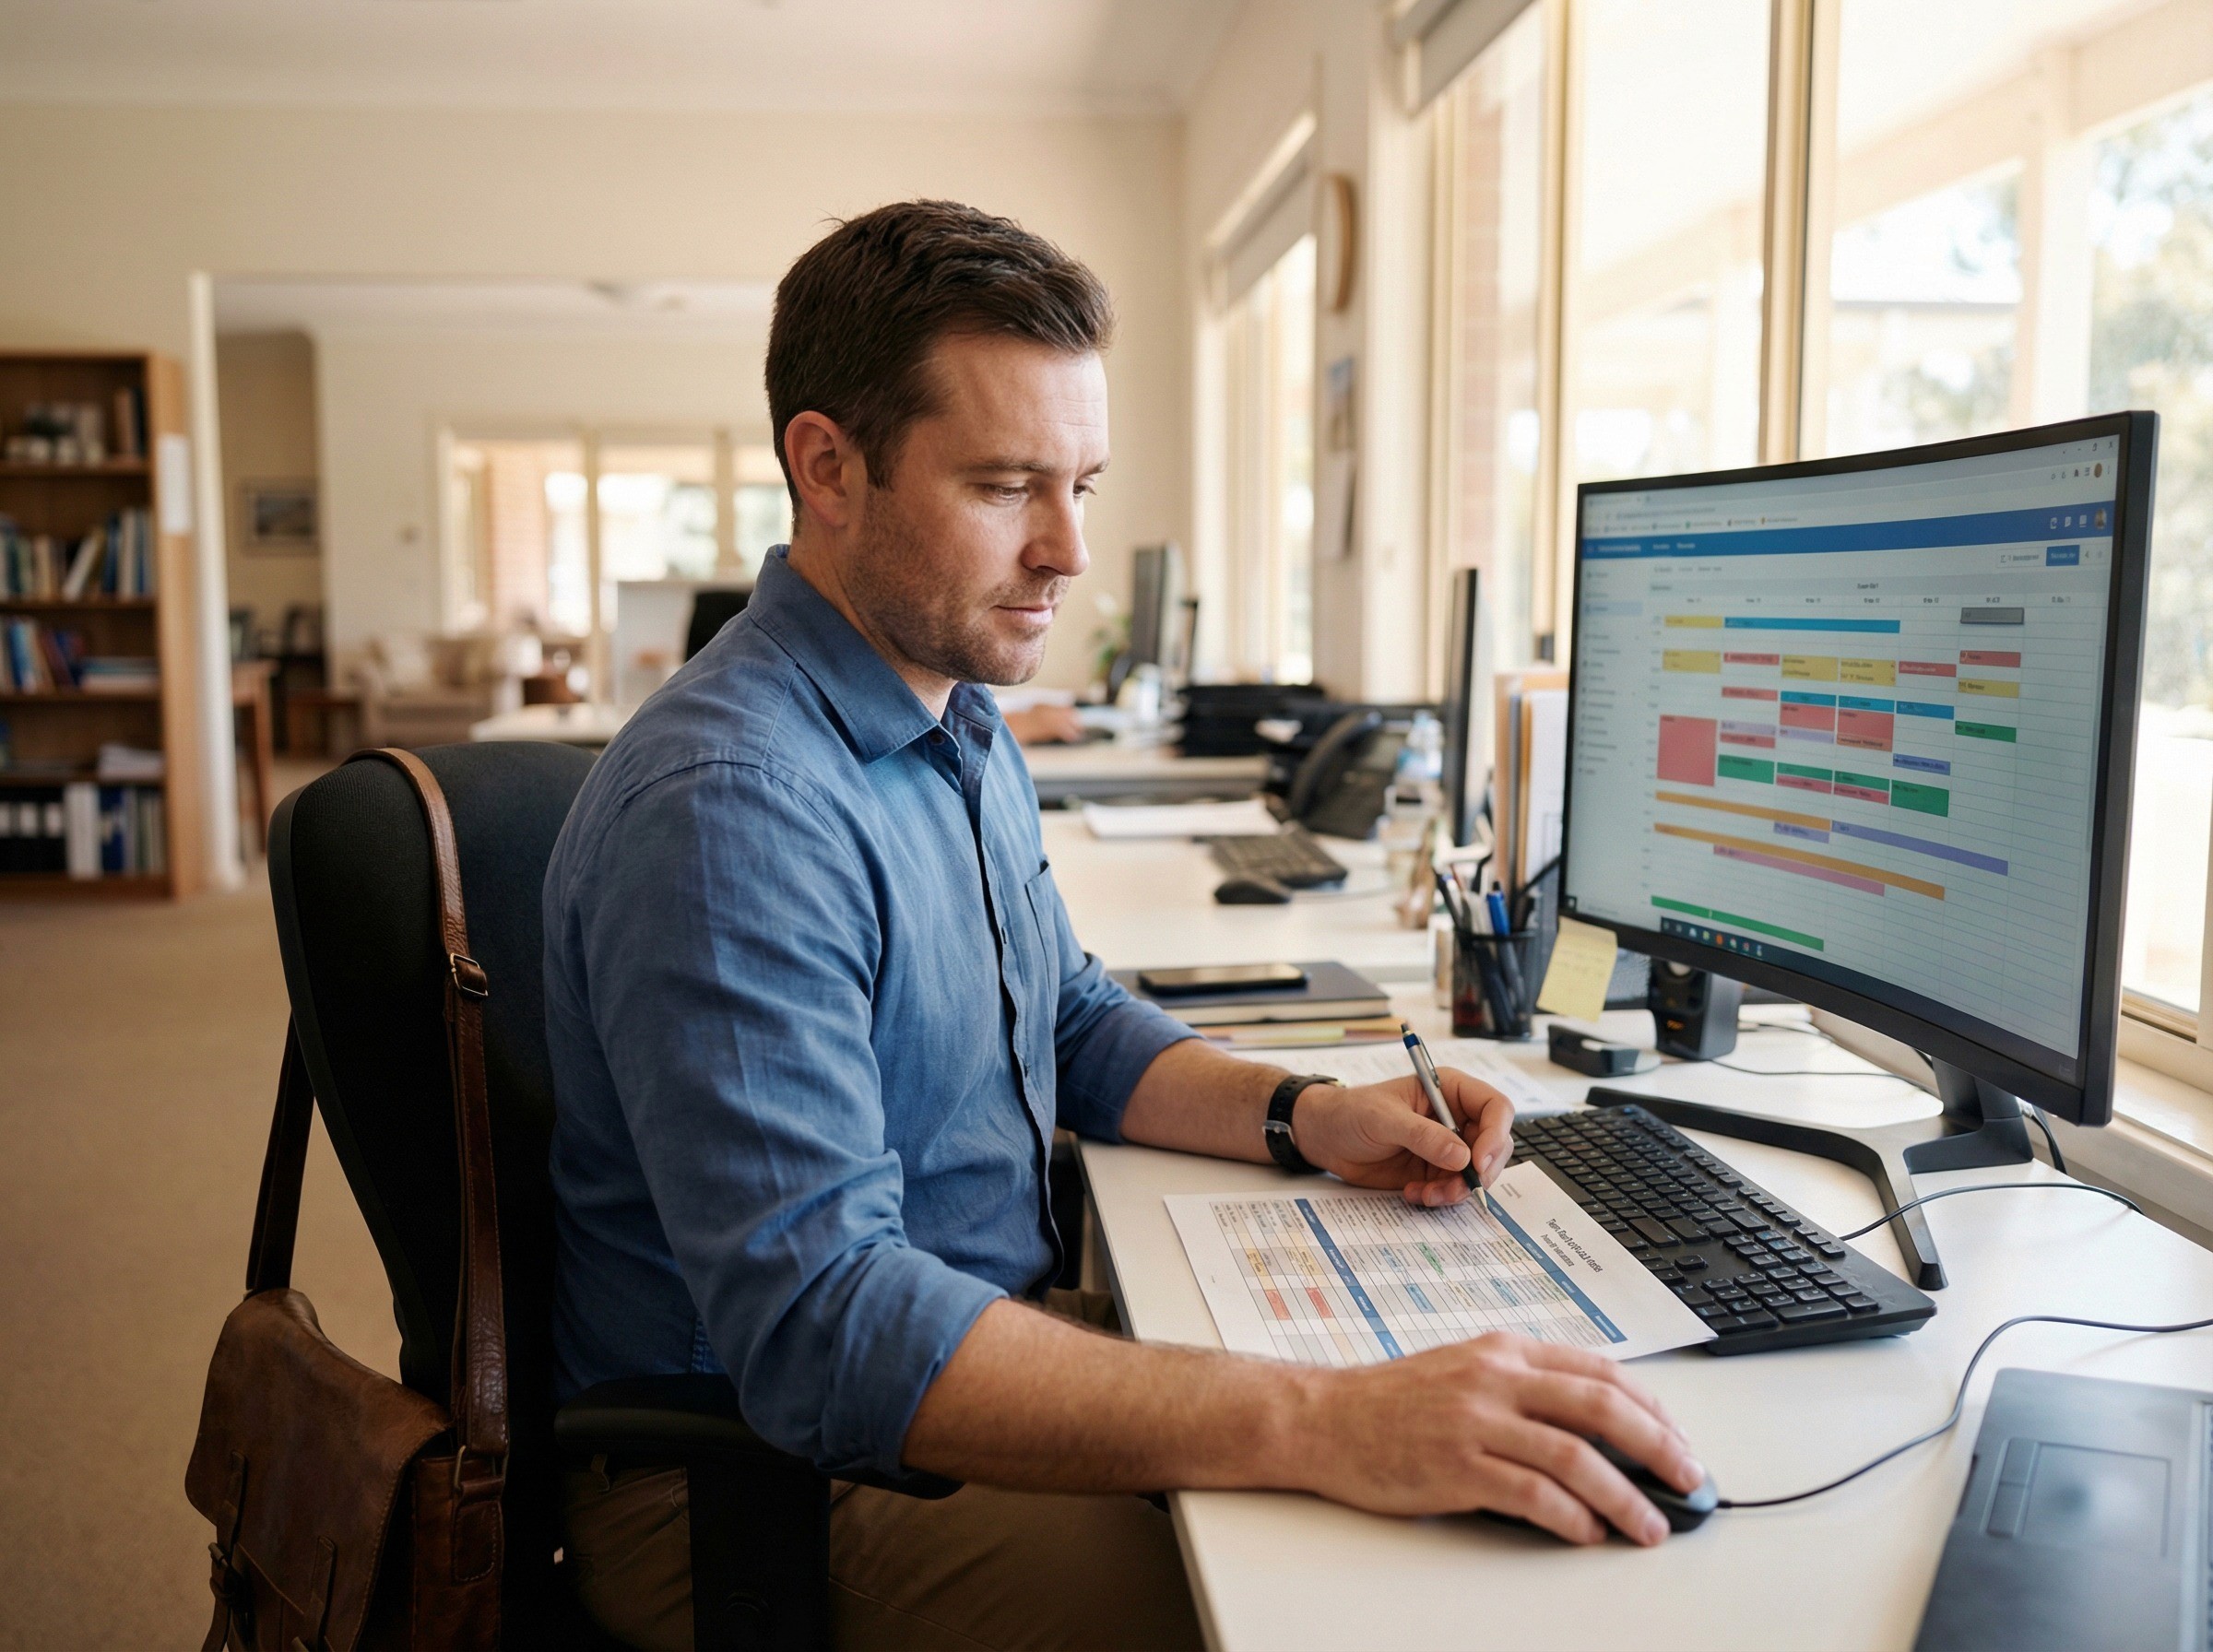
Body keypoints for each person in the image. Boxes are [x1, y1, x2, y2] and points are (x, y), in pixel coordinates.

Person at [544, 199, 1706, 1652]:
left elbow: (1071, 1020)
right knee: (1329, 1608)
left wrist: (1307, 1114)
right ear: (827, 468)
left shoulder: (950, 711)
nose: (1069, 550)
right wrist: (1322, 1423)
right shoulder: (733, 809)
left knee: (1449, 1441)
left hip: (973, 1349)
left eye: (1084, 483)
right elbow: (824, 1331)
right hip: (770, 1477)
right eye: (1007, 486)